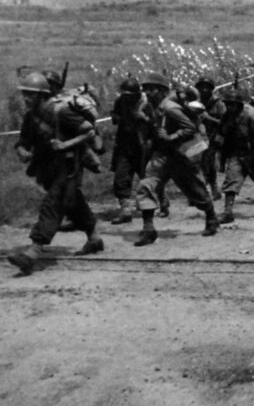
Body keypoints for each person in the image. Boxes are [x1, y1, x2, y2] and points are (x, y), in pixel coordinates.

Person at [8, 72, 104, 276]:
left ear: (43, 95)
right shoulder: (30, 117)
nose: (26, 98)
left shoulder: (61, 112)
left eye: (31, 95)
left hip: (68, 165)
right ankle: (94, 237)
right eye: (25, 94)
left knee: (53, 204)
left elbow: (88, 131)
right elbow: (23, 141)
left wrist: (65, 144)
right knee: (72, 201)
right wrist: (22, 151)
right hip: (47, 167)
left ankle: (33, 251)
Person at [132, 72, 218, 246]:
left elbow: (190, 128)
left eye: (153, 89)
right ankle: (149, 229)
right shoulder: (150, 107)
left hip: (180, 155)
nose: (148, 93)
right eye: (146, 90)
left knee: (195, 190)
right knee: (145, 186)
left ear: (162, 91)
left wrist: (171, 136)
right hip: (161, 156)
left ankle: (211, 217)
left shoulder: (170, 108)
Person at [215, 90, 254, 222]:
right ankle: (228, 212)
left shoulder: (250, 117)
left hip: (253, 155)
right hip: (236, 155)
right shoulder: (226, 117)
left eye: (233, 104)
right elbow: (222, 136)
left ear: (239, 105)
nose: (230, 107)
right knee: (231, 182)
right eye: (228, 104)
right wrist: (221, 159)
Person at [109, 76, 153, 225]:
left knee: (147, 177)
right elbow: (115, 115)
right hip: (125, 144)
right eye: (125, 94)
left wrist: (142, 118)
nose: (126, 97)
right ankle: (126, 210)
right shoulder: (120, 101)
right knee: (121, 178)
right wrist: (117, 117)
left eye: (129, 95)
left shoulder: (147, 103)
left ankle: (157, 203)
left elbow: (156, 123)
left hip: (143, 145)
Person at [195, 74, 226, 201]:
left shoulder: (218, 104)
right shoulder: (195, 102)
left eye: (206, 88)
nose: (204, 90)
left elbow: (225, 122)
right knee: (201, 164)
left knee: (208, 163)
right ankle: (210, 189)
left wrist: (209, 118)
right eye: (201, 87)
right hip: (198, 137)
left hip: (213, 137)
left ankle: (206, 190)